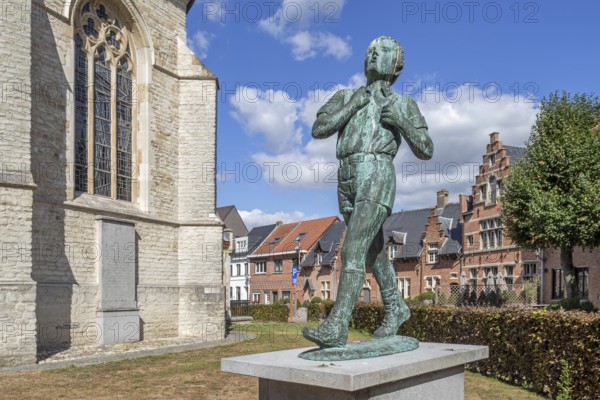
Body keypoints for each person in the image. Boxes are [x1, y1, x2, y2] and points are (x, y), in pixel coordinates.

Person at [302, 36, 433, 348]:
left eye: (383, 51)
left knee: (352, 249)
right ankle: (396, 305)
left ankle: (337, 325)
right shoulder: (346, 95)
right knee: (373, 252)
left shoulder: (402, 104)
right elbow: (319, 128)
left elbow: (426, 148)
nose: (374, 54)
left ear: (396, 65)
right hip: (347, 174)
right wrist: (352, 106)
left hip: (376, 172)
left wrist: (403, 122)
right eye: (370, 51)